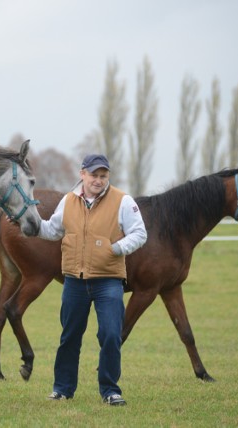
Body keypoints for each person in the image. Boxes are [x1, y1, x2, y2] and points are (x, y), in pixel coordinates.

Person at [37, 154, 147, 406]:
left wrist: (115, 248)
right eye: (94, 175)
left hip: (108, 280)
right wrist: (29, 224)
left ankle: (110, 390)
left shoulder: (123, 201)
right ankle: (63, 389)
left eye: (103, 176)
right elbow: (52, 230)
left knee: (110, 334)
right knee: (70, 336)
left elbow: (140, 233)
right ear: (82, 174)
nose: (98, 180)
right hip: (74, 281)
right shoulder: (68, 201)